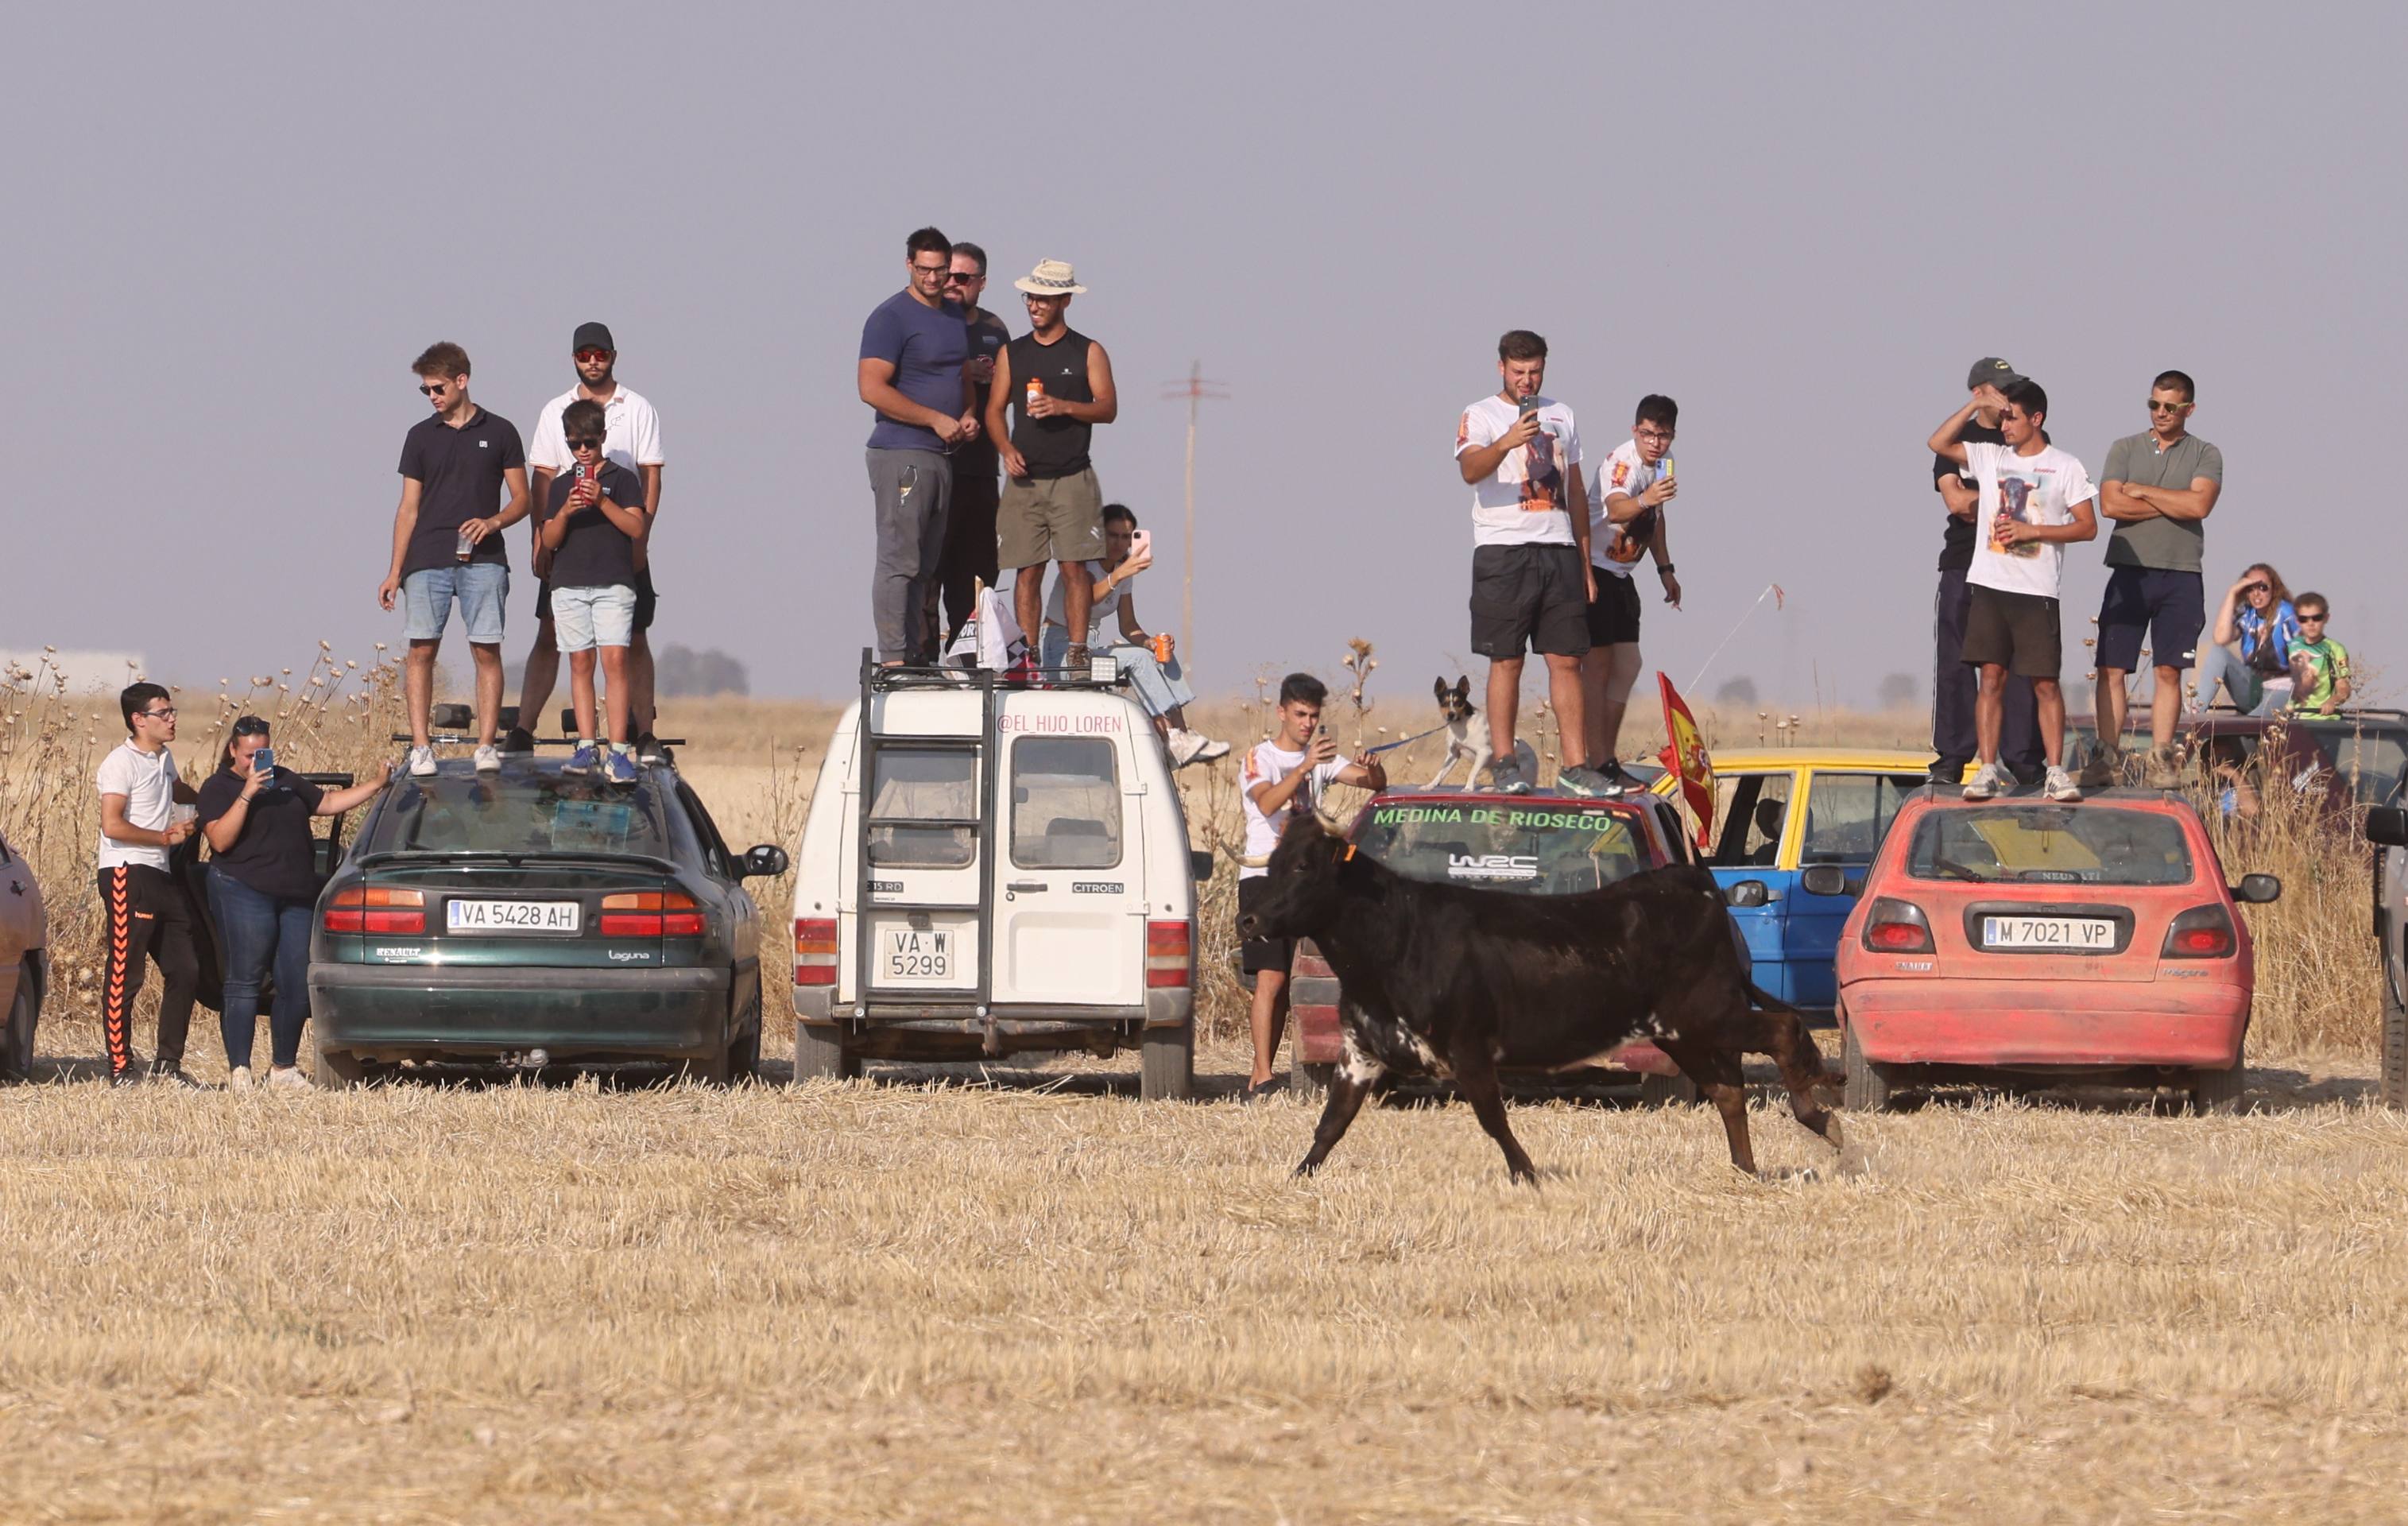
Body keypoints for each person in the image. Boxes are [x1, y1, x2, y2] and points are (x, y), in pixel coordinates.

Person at [1453, 331, 1610, 797]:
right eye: (1519, 371)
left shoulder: (1563, 414)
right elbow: (1470, 471)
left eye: (1535, 371)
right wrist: (1507, 440)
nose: (1527, 380)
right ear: (1501, 367)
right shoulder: (1479, 414)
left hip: (1559, 547)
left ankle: (1576, 766)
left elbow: (1575, 489)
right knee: (1507, 660)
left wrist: (1585, 563)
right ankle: (1505, 763)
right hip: (1503, 549)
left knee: (1567, 660)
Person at [1926, 378, 2098, 802]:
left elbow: (2088, 526)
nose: (2004, 426)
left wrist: (2033, 531)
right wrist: (1974, 406)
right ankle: (1986, 769)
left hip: (2037, 590)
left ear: (2036, 419)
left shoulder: (2065, 465)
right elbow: (1938, 443)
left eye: (2012, 418)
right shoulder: (1991, 457)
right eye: (2002, 418)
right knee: (1991, 677)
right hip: (1989, 586)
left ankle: (2054, 771)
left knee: (2044, 683)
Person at [197, 718, 390, 1090]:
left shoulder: (286, 779)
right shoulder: (218, 787)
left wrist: (376, 784)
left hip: (296, 894)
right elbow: (220, 840)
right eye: (249, 755)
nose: (256, 761)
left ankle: (283, 1068)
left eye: (263, 753)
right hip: (243, 889)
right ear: (233, 751)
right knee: (245, 978)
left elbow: (327, 803)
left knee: (295, 982)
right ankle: (240, 1070)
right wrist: (248, 793)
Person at [511, 322, 666, 757]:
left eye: (600, 354)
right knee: (551, 632)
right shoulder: (555, 409)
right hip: (567, 543)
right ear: (574, 359)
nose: (593, 362)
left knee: (634, 636)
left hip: (620, 537)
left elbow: (650, 475)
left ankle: (643, 732)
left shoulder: (637, 407)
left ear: (613, 356)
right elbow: (542, 477)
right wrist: (539, 538)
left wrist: (642, 537)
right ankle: (524, 728)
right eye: (585, 355)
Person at [377, 343, 531, 776]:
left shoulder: (500, 431)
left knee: (486, 649)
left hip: (485, 560)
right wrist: (394, 571)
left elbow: (524, 499)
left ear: (461, 381)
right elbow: (408, 508)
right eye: (425, 390)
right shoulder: (419, 436)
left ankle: (485, 746)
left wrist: (493, 522)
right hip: (427, 558)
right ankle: (421, 748)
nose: (432, 397)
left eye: (438, 388)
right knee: (421, 650)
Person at [1238, 675, 1384, 1099]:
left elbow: (1372, 783)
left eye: (1314, 716)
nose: (1307, 723)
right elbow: (1267, 803)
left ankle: (1261, 1075)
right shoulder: (1260, 757)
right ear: (1282, 712)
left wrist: (1373, 768)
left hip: (1305, 883)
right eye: (1300, 714)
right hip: (1264, 879)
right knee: (1270, 978)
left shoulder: (1323, 758)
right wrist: (1304, 768)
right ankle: (1263, 1075)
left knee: (1293, 979)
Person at [2085, 370, 2224, 791]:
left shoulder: (2205, 453)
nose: (2161, 413)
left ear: (2189, 409)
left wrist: (2143, 491)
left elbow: (2199, 506)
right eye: (2154, 405)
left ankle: (2162, 760)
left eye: (2170, 407)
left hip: (2182, 574)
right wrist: (2173, 503)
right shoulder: (2124, 447)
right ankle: (2106, 758)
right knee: (2112, 667)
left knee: (2168, 670)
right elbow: (2110, 505)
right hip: (2129, 571)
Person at [985, 259, 1118, 667]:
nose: (1034, 305)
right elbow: (994, 410)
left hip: (1073, 477)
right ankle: (1028, 656)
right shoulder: (1013, 353)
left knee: (1074, 567)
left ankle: (1077, 652)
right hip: (1024, 481)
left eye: (1043, 299)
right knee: (1027, 570)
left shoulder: (1088, 351)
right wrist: (1005, 449)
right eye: (1030, 297)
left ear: (1064, 301)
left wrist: (1063, 406)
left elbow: (1108, 408)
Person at [860, 227, 976, 666]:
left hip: (942, 456)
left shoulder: (953, 315)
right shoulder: (890, 318)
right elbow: (871, 388)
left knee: (926, 566)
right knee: (900, 561)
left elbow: (961, 374)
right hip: (901, 452)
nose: (932, 278)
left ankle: (914, 656)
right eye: (924, 269)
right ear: (909, 265)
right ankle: (894, 659)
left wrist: (968, 413)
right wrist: (933, 419)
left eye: (940, 270)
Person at [1037, 505, 1229, 767]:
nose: (1119, 543)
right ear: (1100, 535)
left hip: (1089, 650)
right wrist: (1118, 575)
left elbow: (1128, 625)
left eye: (1126, 537)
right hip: (1062, 651)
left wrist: (1150, 642)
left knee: (1155, 652)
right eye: (1113, 535)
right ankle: (1171, 738)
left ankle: (1182, 735)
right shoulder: (1083, 566)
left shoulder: (1122, 572)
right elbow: (1085, 600)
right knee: (1139, 659)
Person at [1931, 358, 2045, 787]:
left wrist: (1984, 499)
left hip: (2014, 563)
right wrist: (2000, 499)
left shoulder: (2023, 437)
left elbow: (2030, 500)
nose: (2007, 400)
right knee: (1956, 662)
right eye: (2000, 391)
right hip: (1963, 563)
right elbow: (1956, 503)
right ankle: (1953, 755)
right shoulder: (1958, 440)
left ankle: (2022, 757)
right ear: (1979, 393)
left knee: (2018, 664)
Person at [536, 400, 653, 782]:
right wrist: (566, 511)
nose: (583, 451)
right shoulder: (560, 486)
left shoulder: (623, 479)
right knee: (580, 663)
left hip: (614, 583)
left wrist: (601, 500)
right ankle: (587, 746)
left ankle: (618, 750)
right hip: (569, 584)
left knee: (615, 661)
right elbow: (549, 539)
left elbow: (636, 527)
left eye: (589, 442)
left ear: (602, 437)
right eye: (575, 444)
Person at [94, 683, 203, 1087]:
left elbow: (178, 791)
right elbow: (112, 824)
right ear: (139, 719)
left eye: (173, 711)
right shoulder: (119, 763)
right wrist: (163, 837)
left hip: (161, 873)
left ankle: (168, 1065)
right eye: (164, 713)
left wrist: (224, 797)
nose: (172, 719)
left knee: (185, 968)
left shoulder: (163, 758)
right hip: (127, 872)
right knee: (127, 974)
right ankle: (121, 1068)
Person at [1581, 394, 1683, 791]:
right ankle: (1594, 762)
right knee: (1599, 668)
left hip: (1622, 574)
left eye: (1663, 435)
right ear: (1635, 430)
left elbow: (1656, 519)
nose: (1655, 443)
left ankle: (1606, 758)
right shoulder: (1622, 463)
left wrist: (1665, 569)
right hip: (1595, 570)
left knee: (1628, 665)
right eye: (1648, 434)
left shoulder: (1663, 464)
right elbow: (1616, 509)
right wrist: (1646, 498)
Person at [937, 242, 1012, 647]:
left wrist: (998, 379)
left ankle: (967, 653)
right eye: (946, 274)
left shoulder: (995, 329)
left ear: (980, 283)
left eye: (962, 277)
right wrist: (961, 371)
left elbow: (1010, 391)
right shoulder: (926, 322)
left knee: (980, 570)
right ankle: (920, 661)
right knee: (930, 565)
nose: (951, 283)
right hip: (934, 463)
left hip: (981, 467)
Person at [2196, 564, 2302, 715]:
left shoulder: (2286, 613)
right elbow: (2220, 638)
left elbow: (2306, 653)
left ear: (2274, 589)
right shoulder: (2247, 614)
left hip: (2282, 689)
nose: (2256, 594)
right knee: (2218, 652)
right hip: (2253, 688)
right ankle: (2196, 709)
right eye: (2250, 589)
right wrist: (2232, 593)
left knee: (2251, 725)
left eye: (2263, 588)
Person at [2286, 593, 2351, 715]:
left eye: (2316, 618)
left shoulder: (2335, 649)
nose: (2310, 623)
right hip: (2294, 719)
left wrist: (2332, 701)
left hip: (2323, 720)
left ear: (2326, 618)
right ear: (2297, 621)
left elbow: (2344, 688)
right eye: (2304, 619)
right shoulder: (2291, 646)